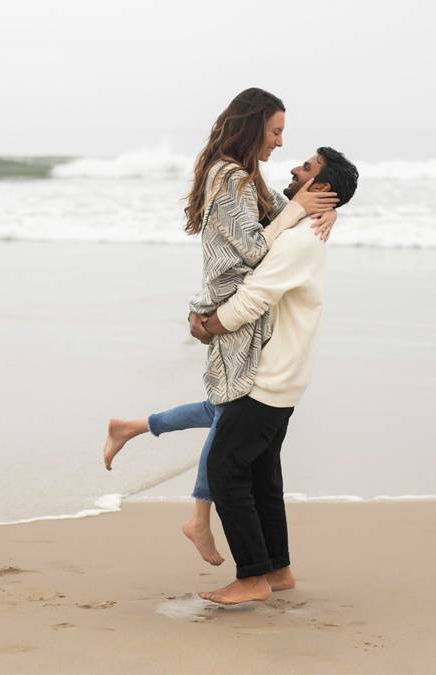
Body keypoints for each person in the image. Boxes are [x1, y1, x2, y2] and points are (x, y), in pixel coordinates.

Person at [101, 88, 337, 566]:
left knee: (226, 410)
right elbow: (254, 248)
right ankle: (198, 519)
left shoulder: (247, 175)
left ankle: (137, 433)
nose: (279, 142)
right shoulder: (228, 176)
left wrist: (325, 208)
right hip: (226, 308)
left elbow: (279, 218)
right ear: (252, 126)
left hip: (233, 309)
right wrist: (299, 210)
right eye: (275, 131)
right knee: (229, 413)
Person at [191, 147, 359, 605]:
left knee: (225, 470)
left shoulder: (302, 239)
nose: (293, 167)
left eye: (306, 168)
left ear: (321, 189)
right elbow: (266, 232)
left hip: (268, 376)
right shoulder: (305, 230)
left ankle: (251, 579)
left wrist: (207, 326)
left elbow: (253, 297)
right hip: (285, 373)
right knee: (262, 476)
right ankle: (277, 570)